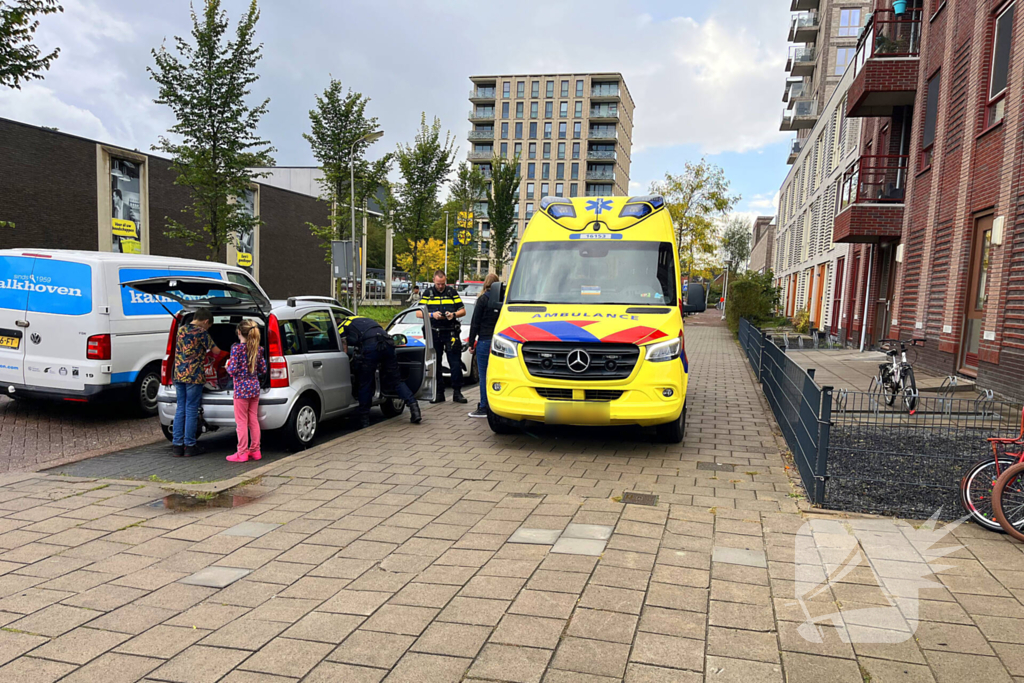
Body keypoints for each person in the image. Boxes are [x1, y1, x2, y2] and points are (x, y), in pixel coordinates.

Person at [339, 315, 422, 429]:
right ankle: (414, 408)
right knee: (396, 381)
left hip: (371, 347)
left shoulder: (342, 326)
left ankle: (364, 420)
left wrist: (346, 359)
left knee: (366, 383)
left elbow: (344, 347)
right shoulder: (361, 318)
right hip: (387, 343)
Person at [172, 308, 221, 457]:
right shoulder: (201, 333)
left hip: (179, 374)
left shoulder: (181, 330)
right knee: (192, 409)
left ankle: (177, 445)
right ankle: (190, 445)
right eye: (209, 326)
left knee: (180, 408)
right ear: (206, 321)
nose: (208, 328)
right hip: (194, 375)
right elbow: (216, 351)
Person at [420, 270, 467, 403]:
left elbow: (463, 310)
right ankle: (439, 393)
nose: (441, 286)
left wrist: (453, 315)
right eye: (438, 284)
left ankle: (457, 393)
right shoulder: (428, 293)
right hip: (434, 332)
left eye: (443, 283)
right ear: (434, 281)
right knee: (436, 364)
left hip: (450, 332)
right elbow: (418, 313)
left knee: (455, 363)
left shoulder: (452, 292)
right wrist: (431, 315)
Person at [225, 319, 267, 463]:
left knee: (241, 422)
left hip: (241, 390)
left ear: (238, 332)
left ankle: (242, 452)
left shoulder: (236, 349)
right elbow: (263, 369)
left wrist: (227, 365)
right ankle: (256, 450)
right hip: (254, 387)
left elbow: (233, 370)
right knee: (253, 420)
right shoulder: (258, 349)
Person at [467, 273, 501, 418]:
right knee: (497, 375)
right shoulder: (503, 301)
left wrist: (471, 342)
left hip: (484, 341)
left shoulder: (482, 300)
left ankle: (483, 406)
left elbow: (475, 322)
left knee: (483, 375)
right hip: (499, 342)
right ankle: (497, 405)